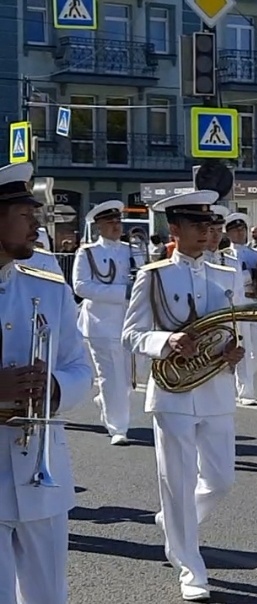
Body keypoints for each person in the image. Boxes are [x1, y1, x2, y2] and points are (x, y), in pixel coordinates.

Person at [121, 190, 246, 602]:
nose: (206, 232)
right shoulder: (154, 275)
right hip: (172, 393)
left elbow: (235, 328)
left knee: (221, 480)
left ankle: (176, 522)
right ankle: (190, 566)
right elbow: (131, 334)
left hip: (215, 388)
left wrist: (235, 352)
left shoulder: (228, 274)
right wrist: (166, 340)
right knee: (177, 481)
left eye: (210, 225)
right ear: (174, 229)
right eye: (197, 225)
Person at [0, 162, 93, 604]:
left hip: (41, 476)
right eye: (25, 215)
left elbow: (81, 368)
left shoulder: (50, 287)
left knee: (50, 597)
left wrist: (54, 388)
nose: (36, 225)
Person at [73, 199, 143, 446]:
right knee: (110, 375)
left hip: (130, 321)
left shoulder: (132, 251)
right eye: (110, 222)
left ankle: (106, 400)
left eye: (118, 221)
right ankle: (119, 428)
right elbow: (81, 286)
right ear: (99, 226)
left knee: (128, 377)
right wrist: (121, 293)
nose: (116, 226)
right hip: (101, 323)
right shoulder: (88, 253)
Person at [224, 212, 257, 406]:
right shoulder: (225, 256)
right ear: (228, 233)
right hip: (238, 304)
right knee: (243, 347)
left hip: (255, 302)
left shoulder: (256, 254)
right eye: (235, 230)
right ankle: (246, 391)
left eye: (242, 229)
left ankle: (240, 376)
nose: (239, 233)